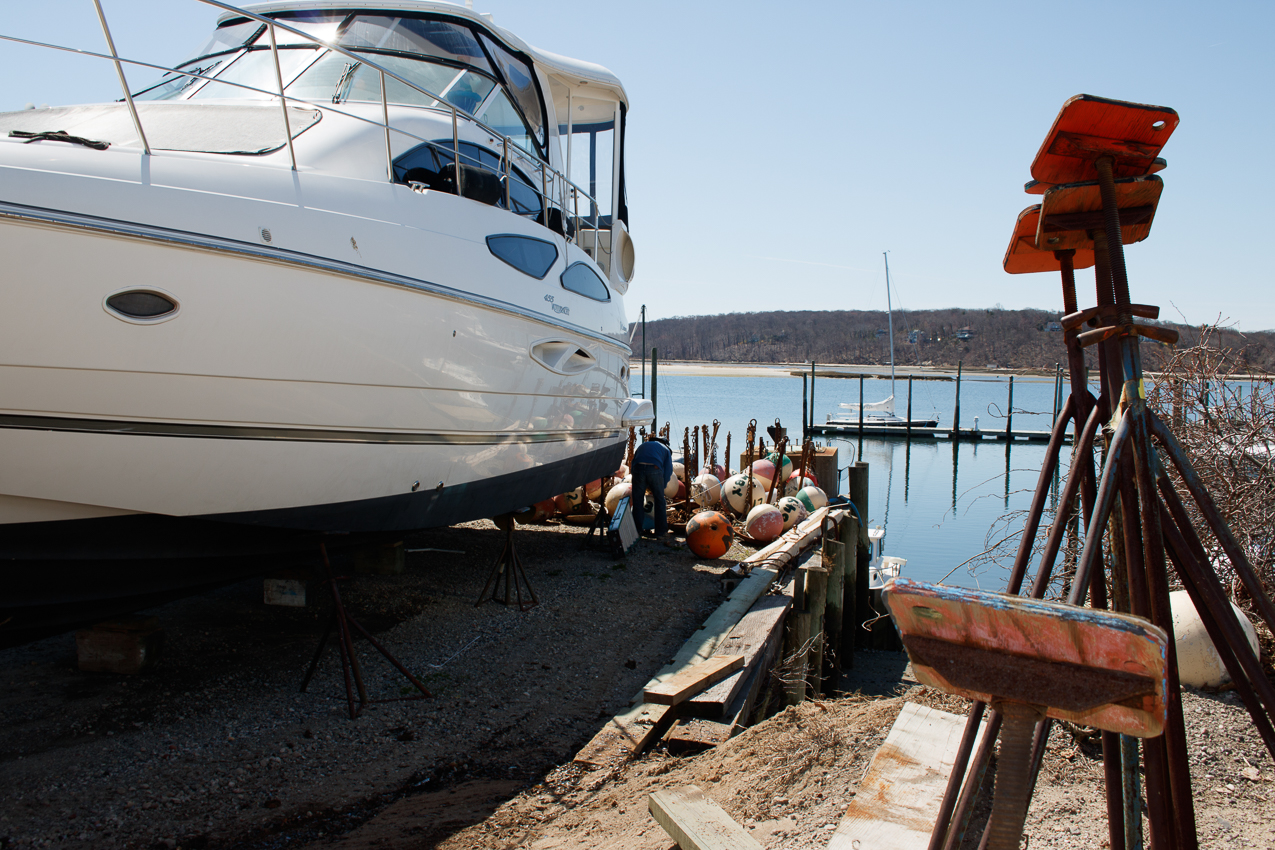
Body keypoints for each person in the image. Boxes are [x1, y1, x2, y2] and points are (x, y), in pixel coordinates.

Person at [630, 435, 672, 537]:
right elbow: (668, 471)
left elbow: (633, 463)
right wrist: (662, 486)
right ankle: (661, 532)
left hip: (638, 469)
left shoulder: (643, 445)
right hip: (654, 469)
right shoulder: (665, 449)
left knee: (637, 500)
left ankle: (637, 531)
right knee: (659, 501)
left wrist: (636, 477)